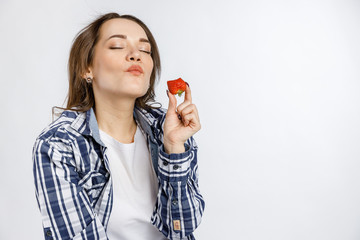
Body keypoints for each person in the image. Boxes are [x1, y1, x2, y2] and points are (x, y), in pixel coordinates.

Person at [32, 12, 205, 240]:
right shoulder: (59, 145)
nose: (136, 55)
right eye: (117, 46)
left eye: (145, 50)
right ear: (87, 69)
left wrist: (174, 147)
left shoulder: (169, 128)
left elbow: (184, 226)